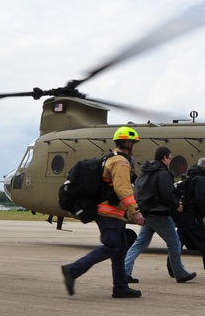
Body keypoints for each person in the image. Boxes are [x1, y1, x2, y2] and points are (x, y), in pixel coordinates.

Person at [62, 127, 145, 298]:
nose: (135, 147)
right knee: (112, 246)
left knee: (120, 250)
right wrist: (135, 211)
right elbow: (123, 189)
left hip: (113, 212)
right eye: (134, 143)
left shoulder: (110, 158)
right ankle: (73, 270)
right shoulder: (121, 162)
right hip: (110, 213)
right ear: (127, 143)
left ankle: (121, 287)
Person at [124, 146, 197, 283]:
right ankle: (180, 273)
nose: (170, 160)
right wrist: (176, 205)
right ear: (164, 158)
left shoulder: (146, 171)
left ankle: (125, 271)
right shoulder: (163, 173)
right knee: (174, 243)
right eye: (169, 158)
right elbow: (167, 194)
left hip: (147, 212)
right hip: (160, 213)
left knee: (140, 243)